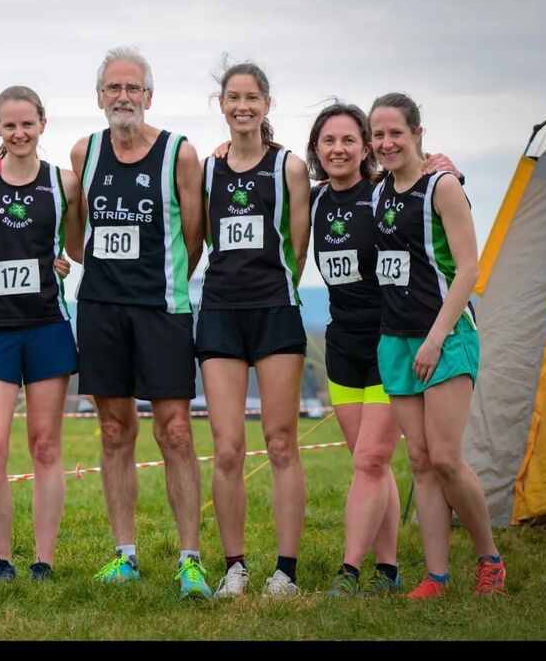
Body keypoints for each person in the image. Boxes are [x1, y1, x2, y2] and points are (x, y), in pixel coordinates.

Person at [70, 46, 210, 599]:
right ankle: (124, 555)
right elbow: (74, 233)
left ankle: (190, 560)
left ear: (149, 96)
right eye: (113, 88)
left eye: (132, 88)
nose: (122, 97)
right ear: (100, 96)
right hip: (101, 307)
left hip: (163, 308)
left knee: (175, 429)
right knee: (112, 431)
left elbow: (194, 237)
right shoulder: (85, 151)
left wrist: (163, 279)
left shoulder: (180, 152)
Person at [307, 102, 460, 597]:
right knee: (367, 463)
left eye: (349, 140)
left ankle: (349, 572)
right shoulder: (312, 201)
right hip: (341, 345)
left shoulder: (384, 193)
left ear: (366, 147)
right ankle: (388, 569)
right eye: (328, 141)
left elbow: (435, 197)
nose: (339, 149)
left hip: (390, 340)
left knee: (371, 459)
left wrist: (449, 167)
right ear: (316, 149)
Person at [370, 92, 506, 598]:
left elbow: (468, 269)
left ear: (418, 134)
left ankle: (490, 559)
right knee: (422, 462)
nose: (387, 143)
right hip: (396, 340)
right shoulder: (379, 190)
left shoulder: (443, 186)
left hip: (446, 339)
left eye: (396, 134)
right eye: (378, 135)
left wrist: (434, 339)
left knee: (447, 458)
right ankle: (437, 576)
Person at [197, 61, 311, 598]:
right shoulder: (206, 168)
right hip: (219, 312)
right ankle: (235, 567)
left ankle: (285, 570)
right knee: (226, 449)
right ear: (221, 105)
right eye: (233, 97)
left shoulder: (289, 167)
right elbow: (194, 240)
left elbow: (300, 249)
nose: (242, 106)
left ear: (267, 104)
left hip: (274, 312)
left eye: (252, 97)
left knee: (282, 442)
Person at [0, 85, 84, 582]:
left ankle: (43, 559)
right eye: (9, 125)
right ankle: (0, 558)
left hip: (46, 327)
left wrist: (62, 263)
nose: (18, 133)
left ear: (42, 124)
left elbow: (77, 245)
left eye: (27, 124)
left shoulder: (64, 183)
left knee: (45, 447)